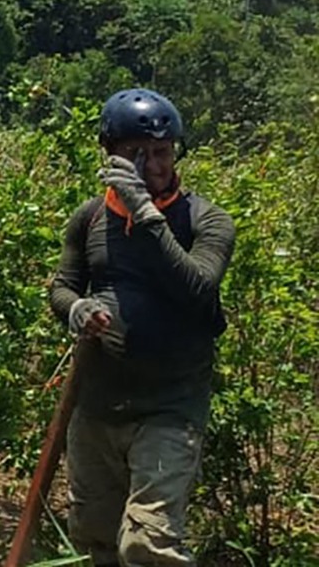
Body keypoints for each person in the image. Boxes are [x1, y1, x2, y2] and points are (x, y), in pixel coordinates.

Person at [49, 88, 234, 566]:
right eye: (137, 154)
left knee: (148, 544)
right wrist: (77, 310)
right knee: (97, 536)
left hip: (170, 406)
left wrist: (146, 213)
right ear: (110, 154)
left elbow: (196, 288)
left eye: (162, 152)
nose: (153, 166)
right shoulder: (90, 218)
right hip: (97, 405)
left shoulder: (206, 221)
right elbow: (63, 286)